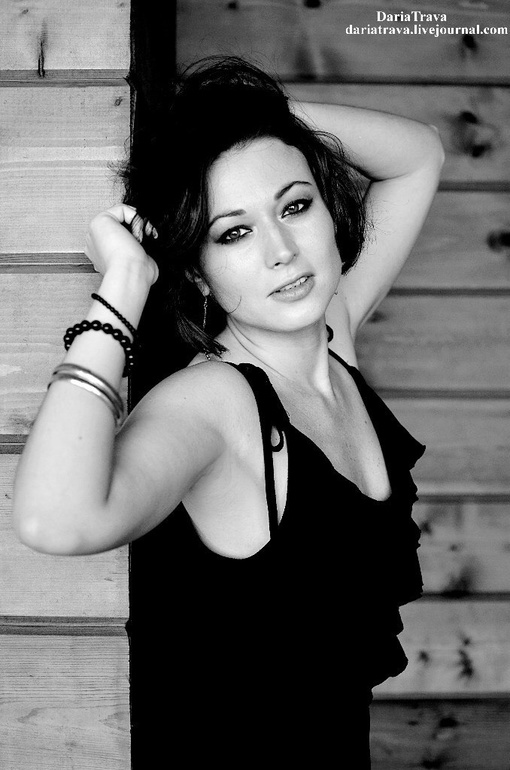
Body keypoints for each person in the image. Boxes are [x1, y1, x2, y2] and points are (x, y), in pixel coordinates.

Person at [13, 56, 444, 767]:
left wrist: (245, 113)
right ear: (196, 269)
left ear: (331, 211)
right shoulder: (215, 402)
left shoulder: (332, 338)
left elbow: (418, 154)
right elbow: (53, 521)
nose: (282, 251)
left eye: (295, 206)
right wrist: (124, 284)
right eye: (233, 233)